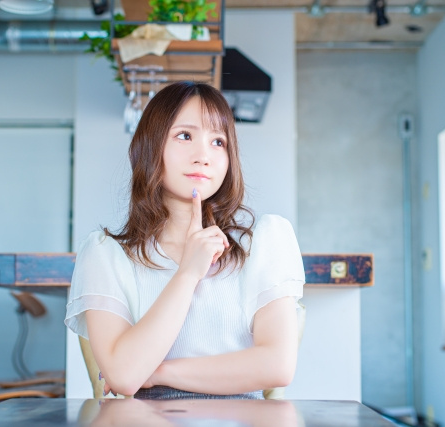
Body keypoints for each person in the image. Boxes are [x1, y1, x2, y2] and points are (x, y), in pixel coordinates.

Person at [65, 81, 305, 400]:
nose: (203, 156)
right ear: (150, 147)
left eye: (218, 141)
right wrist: (188, 273)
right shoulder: (105, 255)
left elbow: (277, 366)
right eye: (185, 136)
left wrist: (158, 373)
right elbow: (123, 376)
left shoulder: (263, 242)